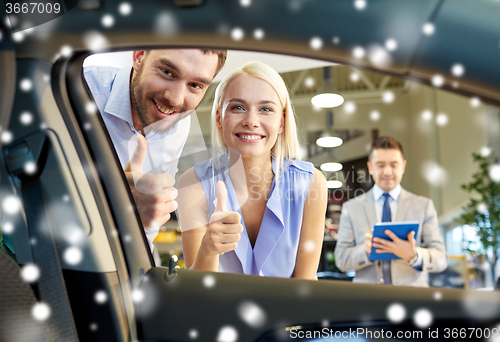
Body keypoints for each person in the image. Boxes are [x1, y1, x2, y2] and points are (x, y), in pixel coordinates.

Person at [177, 61, 327, 279]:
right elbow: (197, 291)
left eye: (265, 109)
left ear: (282, 122)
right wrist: (208, 249)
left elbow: (305, 283)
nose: (251, 121)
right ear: (219, 118)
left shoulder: (311, 183)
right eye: (238, 107)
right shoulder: (193, 183)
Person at [84, 49, 227, 251]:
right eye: (167, 72)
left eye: (195, 85)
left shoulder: (178, 121)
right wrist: (117, 203)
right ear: (139, 56)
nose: (176, 100)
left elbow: (147, 226)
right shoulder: (78, 92)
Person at [334, 136, 448, 287]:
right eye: (380, 165)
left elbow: (441, 259)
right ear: (370, 167)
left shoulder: (424, 206)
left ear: (403, 166)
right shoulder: (351, 208)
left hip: (412, 299)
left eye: (394, 165)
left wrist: (414, 255)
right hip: (367, 299)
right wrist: (367, 251)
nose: (387, 172)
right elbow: (341, 259)